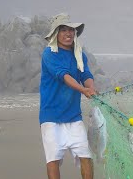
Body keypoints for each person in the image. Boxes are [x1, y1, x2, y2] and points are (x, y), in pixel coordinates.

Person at [39, 13, 97, 179]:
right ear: (55, 33)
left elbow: (85, 73)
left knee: (86, 156)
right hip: (51, 116)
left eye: (71, 30)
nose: (68, 34)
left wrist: (91, 87)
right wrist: (83, 90)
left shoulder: (79, 54)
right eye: (63, 30)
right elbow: (63, 75)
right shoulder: (49, 53)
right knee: (53, 159)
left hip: (73, 116)